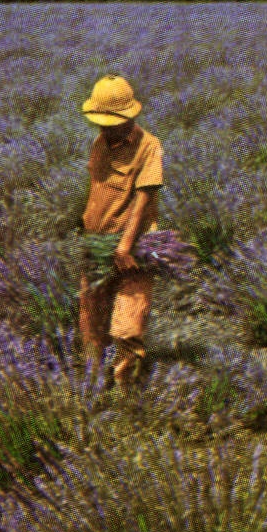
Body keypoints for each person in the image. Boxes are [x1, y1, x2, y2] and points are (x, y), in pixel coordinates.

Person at [79, 74, 164, 389]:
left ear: (128, 117)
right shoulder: (100, 143)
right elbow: (97, 190)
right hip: (97, 246)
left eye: (109, 121)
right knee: (91, 320)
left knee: (128, 324)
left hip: (132, 249)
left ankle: (126, 396)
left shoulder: (149, 147)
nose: (103, 127)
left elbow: (143, 199)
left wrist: (125, 246)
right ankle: (91, 386)